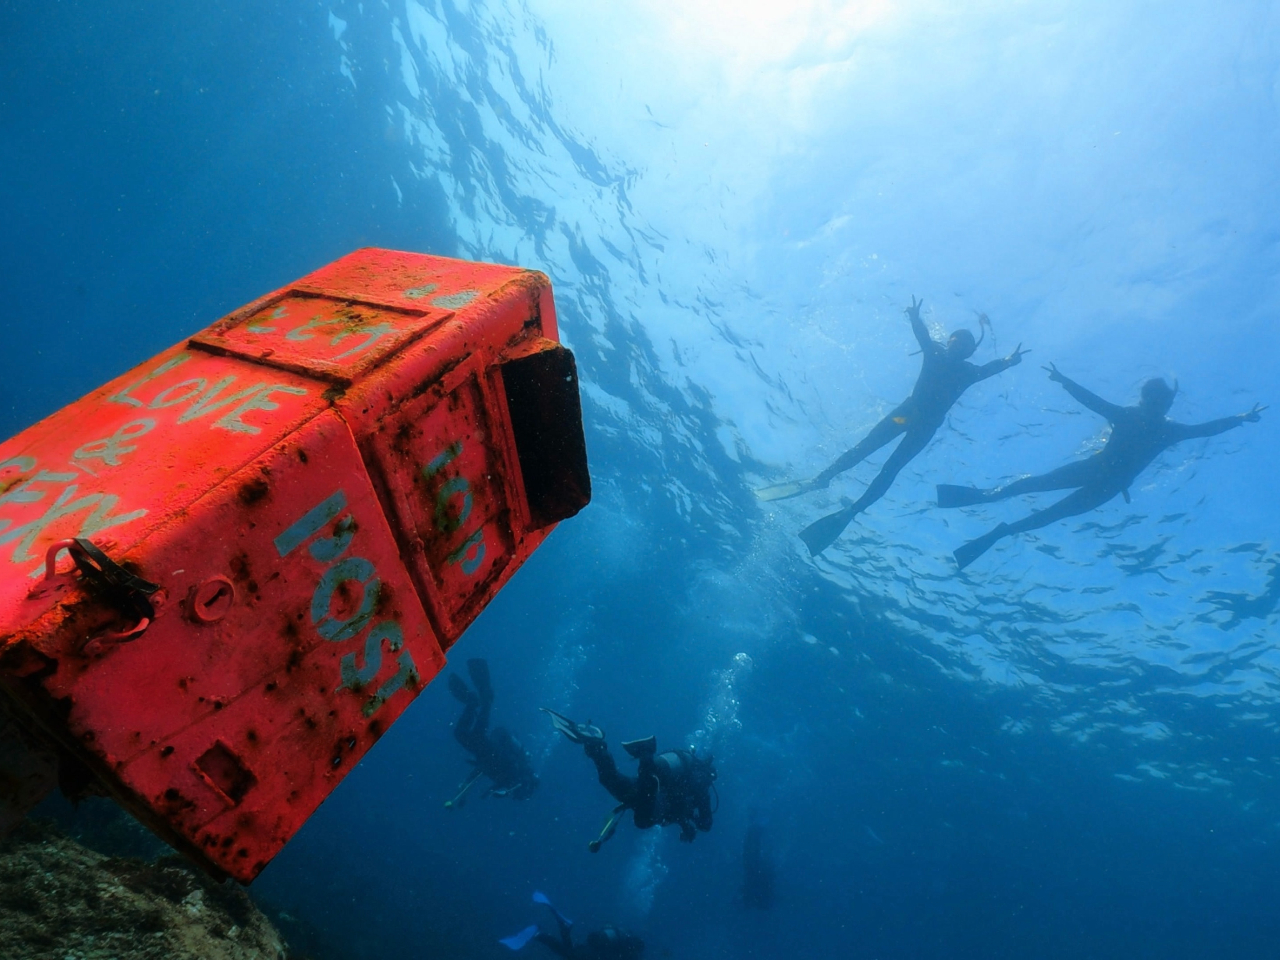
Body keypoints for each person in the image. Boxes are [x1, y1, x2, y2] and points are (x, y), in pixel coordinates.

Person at [756, 297, 1028, 555]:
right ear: (950, 341)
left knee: (892, 467)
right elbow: (922, 335)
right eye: (955, 340)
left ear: (969, 350)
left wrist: (1008, 361)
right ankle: (823, 478)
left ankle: (855, 508)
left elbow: (990, 368)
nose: (957, 345)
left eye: (963, 344)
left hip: (922, 427)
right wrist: (914, 316)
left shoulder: (968, 371)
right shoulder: (936, 353)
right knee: (866, 448)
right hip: (906, 416)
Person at [940, 365, 1265, 569]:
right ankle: (987, 499)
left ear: (1161, 402)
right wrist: (1066, 382)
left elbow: (1205, 429)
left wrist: (1239, 419)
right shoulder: (1149, 423)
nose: (1153, 403)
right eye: (1151, 398)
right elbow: (1095, 402)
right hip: (1101, 477)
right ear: (1147, 400)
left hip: (1103, 482)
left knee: (1050, 508)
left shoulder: (1161, 427)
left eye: (1157, 399)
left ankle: (1000, 527)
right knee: (1035, 488)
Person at [542, 708, 715, 851]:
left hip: (650, 780)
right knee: (643, 820)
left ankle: (596, 745)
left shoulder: (687, 773)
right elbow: (706, 825)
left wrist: (685, 823)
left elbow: (677, 806)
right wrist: (692, 819)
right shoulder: (701, 784)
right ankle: (646, 760)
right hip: (651, 794)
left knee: (611, 780)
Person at [445, 658, 538, 807]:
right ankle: (485, 699)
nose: (512, 792)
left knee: (460, 734)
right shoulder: (516, 776)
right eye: (516, 793)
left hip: (483, 754)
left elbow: (482, 770)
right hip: (490, 751)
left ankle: (474, 702)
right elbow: (500, 773)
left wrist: (465, 789)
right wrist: (507, 788)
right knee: (473, 735)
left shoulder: (507, 780)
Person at [501, 891, 645, 960]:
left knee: (569, 952)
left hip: (593, 948)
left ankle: (552, 930)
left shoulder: (621, 941)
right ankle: (542, 933)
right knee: (569, 954)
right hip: (594, 953)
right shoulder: (628, 952)